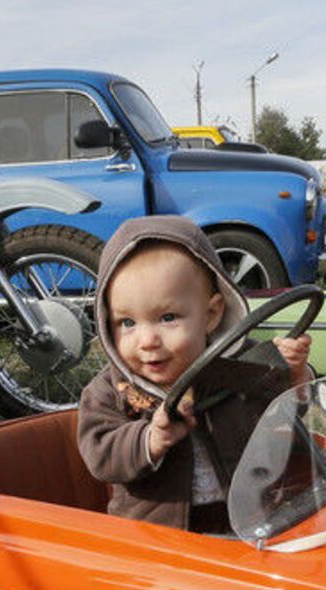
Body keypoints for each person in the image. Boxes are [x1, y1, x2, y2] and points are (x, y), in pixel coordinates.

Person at [77, 215, 311, 533]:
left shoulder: (242, 362)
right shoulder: (109, 390)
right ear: (107, 322)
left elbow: (289, 409)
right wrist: (151, 439)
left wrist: (295, 374)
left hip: (247, 520)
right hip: (156, 535)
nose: (147, 341)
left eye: (168, 317)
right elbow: (100, 455)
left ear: (212, 314)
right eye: (127, 323)